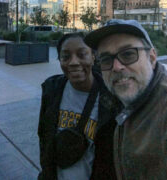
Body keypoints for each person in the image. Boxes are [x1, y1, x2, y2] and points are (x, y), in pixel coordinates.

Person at [85, 19, 167, 179]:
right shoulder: (112, 99)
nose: (116, 67)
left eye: (128, 54)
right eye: (106, 59)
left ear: (151, 58)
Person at [38, 32, 112, 180]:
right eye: (65, 56)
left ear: (93, 56)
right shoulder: (51, 89)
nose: (73, 62)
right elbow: (44, 136)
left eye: (82, 54)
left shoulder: (111, 98)